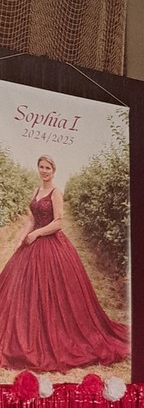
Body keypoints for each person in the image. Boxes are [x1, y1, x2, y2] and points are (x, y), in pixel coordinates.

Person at [0, 154, 130, 372]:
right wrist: (22, 238)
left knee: (53, 290)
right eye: (41, 167)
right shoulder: (36, 191)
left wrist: (37, 234)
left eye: (47, 167)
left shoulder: (56, 193)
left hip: (50, 244)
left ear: (54, 170)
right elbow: (31, 220)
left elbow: (58, 223)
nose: (44, 171)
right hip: (32, 244)